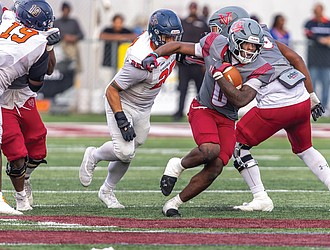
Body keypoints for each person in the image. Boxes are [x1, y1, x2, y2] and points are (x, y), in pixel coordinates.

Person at [142, 18, 274, 217]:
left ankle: (173, 204)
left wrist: (221, 78)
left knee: (216, 166)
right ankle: (177, 165)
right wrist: (155, 54)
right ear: (234, 41)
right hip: (203, 107)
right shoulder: (215, 44)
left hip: (228, 117)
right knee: (210, 149)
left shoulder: (262, 68)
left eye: (254, 46)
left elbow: (241, 100)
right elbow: (179, 46)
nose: (250, 50)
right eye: (246, 44)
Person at [208, 6, 329, 212]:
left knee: (236, 144)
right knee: (305, 149)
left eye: (219, 28)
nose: (217, 33)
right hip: (299, 97)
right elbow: (296, 59)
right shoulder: (264, 35)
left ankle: (260, 197)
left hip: (276, 104)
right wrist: (312, 96)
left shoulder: (237, 45)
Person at [79, 9, 183, 209]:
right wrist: (121, 120)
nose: (171, 41)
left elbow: (185, 50)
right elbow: (112, 90)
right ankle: (94, 156)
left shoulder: (168, 45)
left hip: (144, 106)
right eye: (166, 36)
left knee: (133, 146)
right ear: (155, 35)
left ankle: (106, 190)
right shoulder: (140, 60)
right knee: (125, 151)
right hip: (123, 101)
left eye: (174, 36)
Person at [0, 0, 59, 214]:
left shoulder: (7, 19)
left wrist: (49, 47)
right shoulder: (34, 41)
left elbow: (46, 72)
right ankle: (20, 196)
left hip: (23, 96)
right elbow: (38, 81)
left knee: (37, 147)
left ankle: (24, 178)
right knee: (16, 154)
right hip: (4, 96)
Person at [173, 2, 209, 121]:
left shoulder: (203, 23)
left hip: (198, 64)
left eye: (195, 8)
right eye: (191, 7)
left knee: (200, 90)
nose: (193, 9)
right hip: (184, 63)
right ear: (189, 8)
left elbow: (207, 42)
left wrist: (206, 62)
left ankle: (202, 110)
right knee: (182, 88)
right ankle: (179, 112)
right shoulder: (183, 23)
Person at [304, 3, 330, 113]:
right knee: (312, 86)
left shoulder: (328, 23)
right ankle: (313, 107)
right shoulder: (310, 23)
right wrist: (321, 40)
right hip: (313, 60)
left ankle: (323, 108)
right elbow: (308, 33)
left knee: (325, 86)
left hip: (326, 61)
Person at [54, 2, 84, 73]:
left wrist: (74, 38)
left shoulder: (74, 22)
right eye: (64, 10)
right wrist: (64, 37)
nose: (66, 12)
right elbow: (53, 35)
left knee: (73, 68)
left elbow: (81, 34)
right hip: (60, 48)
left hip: (72, 48)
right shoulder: (57, 22)